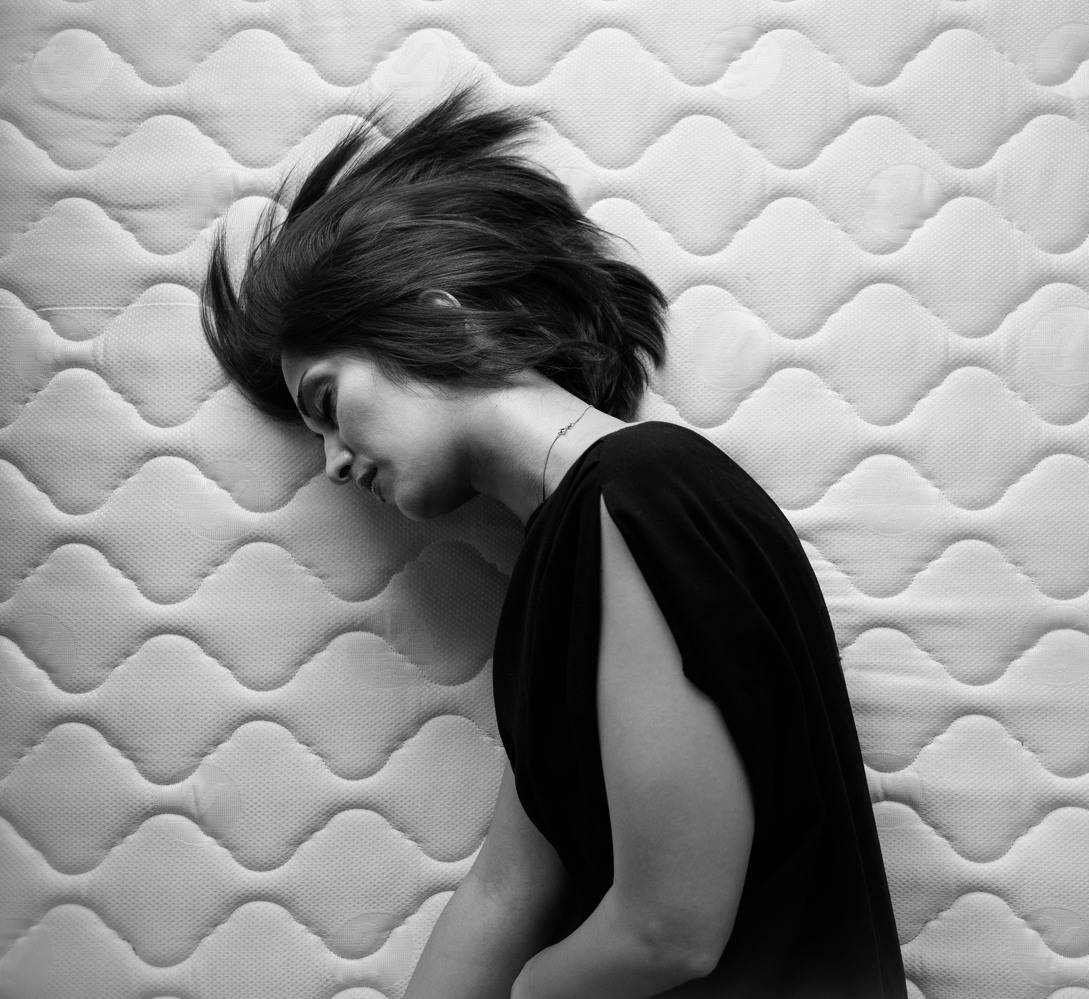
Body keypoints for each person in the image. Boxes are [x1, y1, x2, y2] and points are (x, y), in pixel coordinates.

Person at [200, 85, 906, 999]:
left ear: (438, 316)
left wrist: (530, 993)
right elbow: (507, 889)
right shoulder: (569, 553)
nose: (333, 462)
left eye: (328, 404)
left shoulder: (642, 491)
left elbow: (669, 930)